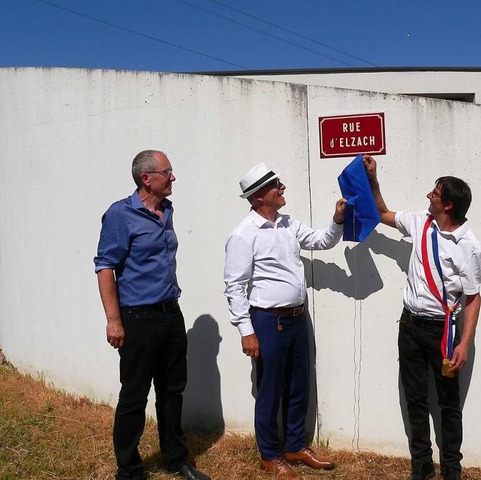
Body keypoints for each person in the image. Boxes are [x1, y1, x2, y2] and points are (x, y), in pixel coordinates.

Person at [363, 155, 481, 480]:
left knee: (447, 404)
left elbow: (472, 299)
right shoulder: (421, 222)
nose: (427, 196)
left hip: (442, 333)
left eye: (434, 193)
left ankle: (452, 470)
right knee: (415, 399)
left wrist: (465, 344)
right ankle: (421, 466)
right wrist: (373, 179)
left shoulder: (468, 246)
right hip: (410, 326)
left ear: (447, 205)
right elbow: (381, 213)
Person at [224, 162, 346, 480]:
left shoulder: (288, 224)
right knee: (270, 388)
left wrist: (336, 220)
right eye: (276, 184)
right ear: (258, 197)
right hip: (267, 321)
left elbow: (321, 241)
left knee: (298, 384)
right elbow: (235, 287)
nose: (282, 188)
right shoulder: (243, 235)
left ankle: (294, 446)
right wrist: (246, 331)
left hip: (296, 318)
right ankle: (270, 454)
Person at [94, 150, 210, 480]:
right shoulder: (120, 214)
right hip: (138, 319)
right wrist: (114, 320)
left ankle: (176, 459)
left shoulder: (166, 210)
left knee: (172, 391)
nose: (173, 178)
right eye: (167, 172)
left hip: (171, 315)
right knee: (134, 396)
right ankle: (128, 470)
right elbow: (105, 267)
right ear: (147, 178)